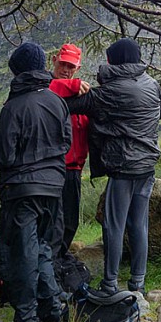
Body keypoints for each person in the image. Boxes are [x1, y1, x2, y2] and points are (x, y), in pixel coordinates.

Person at [66, 38, 161, 295]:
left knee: (114, 226)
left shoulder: (108, 92)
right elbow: (160, 112)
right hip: (147, 166)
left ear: (114, 60)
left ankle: (110, 284)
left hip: (122, 167)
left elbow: (68, 106)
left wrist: (70, 86)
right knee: (139, 224)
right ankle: (138, 284)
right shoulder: (152, 84)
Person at [0, 42, 71, 322]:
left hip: (21, 190)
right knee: (43, 249)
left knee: (23, 252)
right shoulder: (56, 101)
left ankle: (25, 316)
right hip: (53, 187)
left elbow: (2, 155)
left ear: (18, 71)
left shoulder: (13, 107)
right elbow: (66, 143)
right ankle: (51, 309)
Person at [47, 43, 90, 260]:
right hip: (51, 168)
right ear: (54, 60)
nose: (66, 69)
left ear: (78, 68)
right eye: (63, 64)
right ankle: (51, 264)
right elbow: (47, 89)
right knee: (52, 221)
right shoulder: (44, 85)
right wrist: (71, 86)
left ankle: (58, 262)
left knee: (70, 221)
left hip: (74, 169)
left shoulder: (82, 93)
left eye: (71, 67)